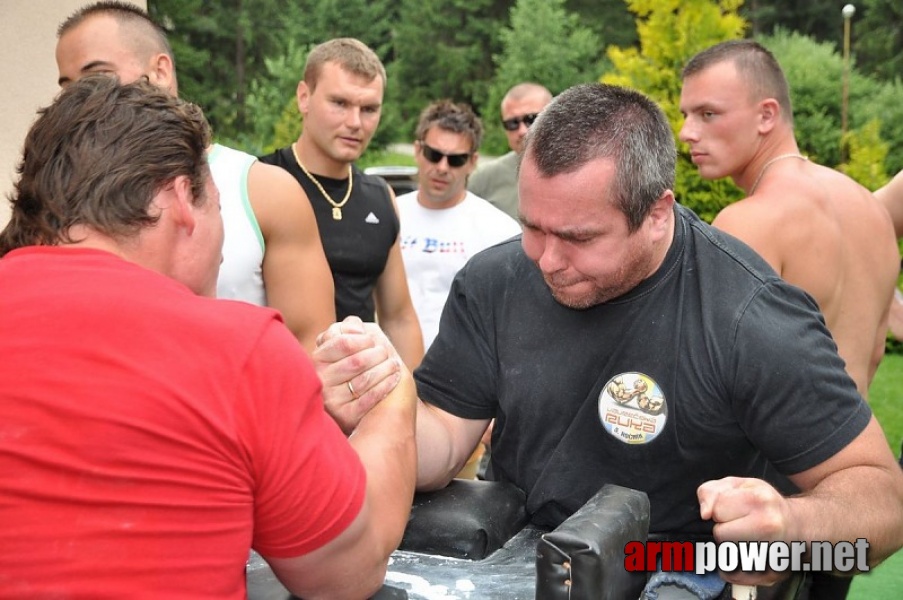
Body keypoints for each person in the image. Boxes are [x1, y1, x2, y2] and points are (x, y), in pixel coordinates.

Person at [318, 82, 903, 592]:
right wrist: (380, 412)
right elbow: (444, 438)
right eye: (532, 226)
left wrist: (793, 530)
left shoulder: (750, 318)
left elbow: (883, 503)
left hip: (676, 567)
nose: (546, 260)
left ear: (656, 214)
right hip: (518, 563)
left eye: (577, 236)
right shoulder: (494, 281)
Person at [0, 75, 415, 599]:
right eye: (219, 206)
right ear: (181, 202)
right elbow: (347, 571)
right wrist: (394, 393)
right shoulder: (236, 349)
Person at [55, 2, 335, 354]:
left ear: (160, 71)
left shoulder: (263, 190)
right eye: (68, 87)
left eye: (96, 77)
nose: (80, 99)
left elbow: (311, 344)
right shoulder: (58, 199)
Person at [679, 39, 899, 404]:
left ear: (767, 115)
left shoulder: (748, 222)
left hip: (773, 457)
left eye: (708, 114)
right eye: (685, 114)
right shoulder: (870, 209)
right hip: (858, 450)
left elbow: (709, 381)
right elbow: (872, 354)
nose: (686, 132)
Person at [259, 38, 423, 369]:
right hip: (276, 386)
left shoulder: (380, 196)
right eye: (339, 103)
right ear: (304, 97)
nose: (355, 122)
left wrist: (418, 406)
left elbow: (399, 316)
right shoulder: (257, 181)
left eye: (369, 109)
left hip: (360, 392)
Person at [397, 99, 521, 350]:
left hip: (456, 376)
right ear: (418, 150)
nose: (442, 168)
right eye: (434, 155)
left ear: (473, 162)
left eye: (455, 160)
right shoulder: (389, 213)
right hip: (386, 370)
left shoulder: (499, 230)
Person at [467, 82, 553, 219]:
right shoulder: (484, 179)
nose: (522, 130)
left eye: (531, 119)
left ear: (553, 117)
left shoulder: (583, 169)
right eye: (512, 123)